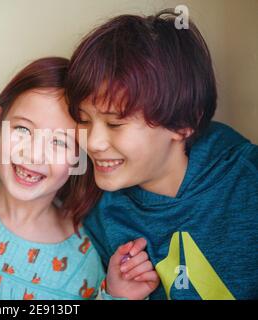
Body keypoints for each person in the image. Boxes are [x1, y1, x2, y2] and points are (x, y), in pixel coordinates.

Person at [0, 57, 159, 300]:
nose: (34, 154)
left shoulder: (85, 262)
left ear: (81, 155)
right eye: (22, 129)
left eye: (59, 142)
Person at [65, 10, 258, 300]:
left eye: (115, 123)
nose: (93, 142)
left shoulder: (248, 180)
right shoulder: (99, 212)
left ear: (182, 123)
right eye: (83, 119)